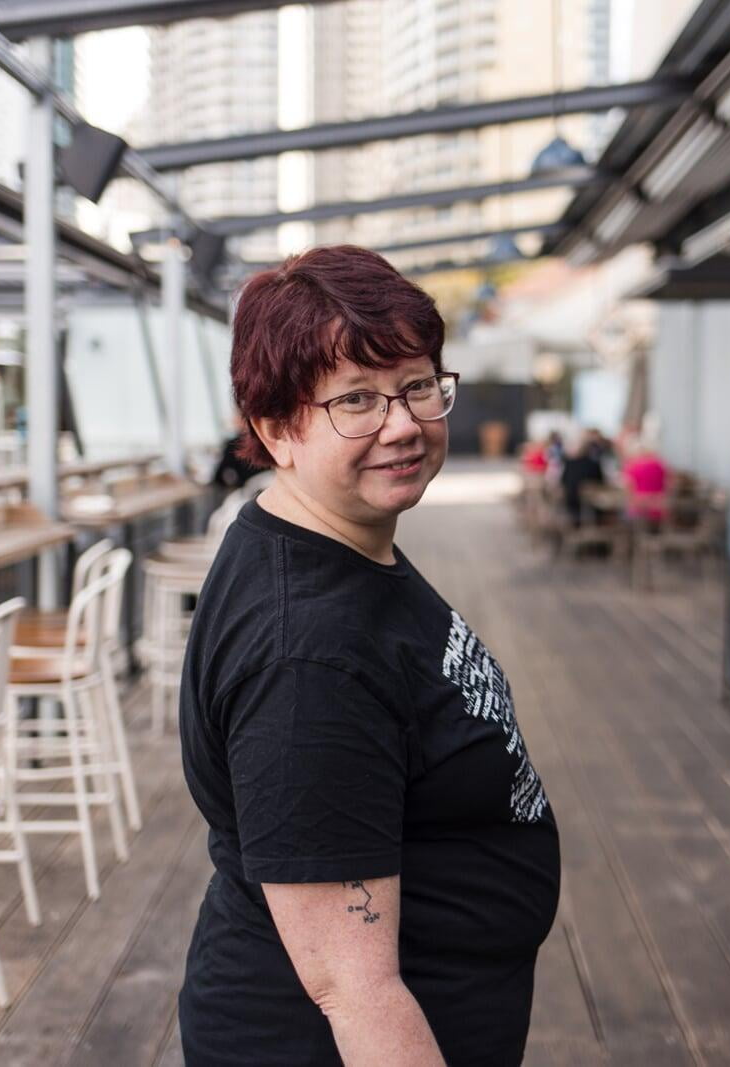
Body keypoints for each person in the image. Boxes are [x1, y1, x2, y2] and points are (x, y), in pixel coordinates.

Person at [177, 245, 561, 1067]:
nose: (403, 424)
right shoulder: (307, 660)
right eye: (356, 399)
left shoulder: (339, 543)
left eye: (418, 385)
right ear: (277, 427)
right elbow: (353, 988)